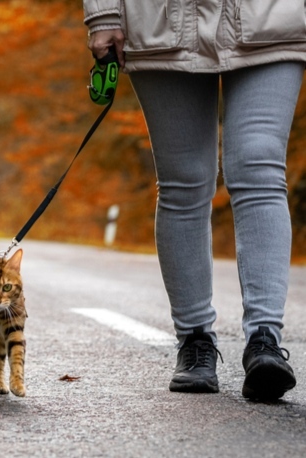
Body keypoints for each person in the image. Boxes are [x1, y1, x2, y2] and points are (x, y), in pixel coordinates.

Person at [83, 0, 305, 400]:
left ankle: (265, 340)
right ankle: (194, 341)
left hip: (272, 15)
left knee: (259, 169)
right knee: (183, 183)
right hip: (160, 20)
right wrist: (104, 13)